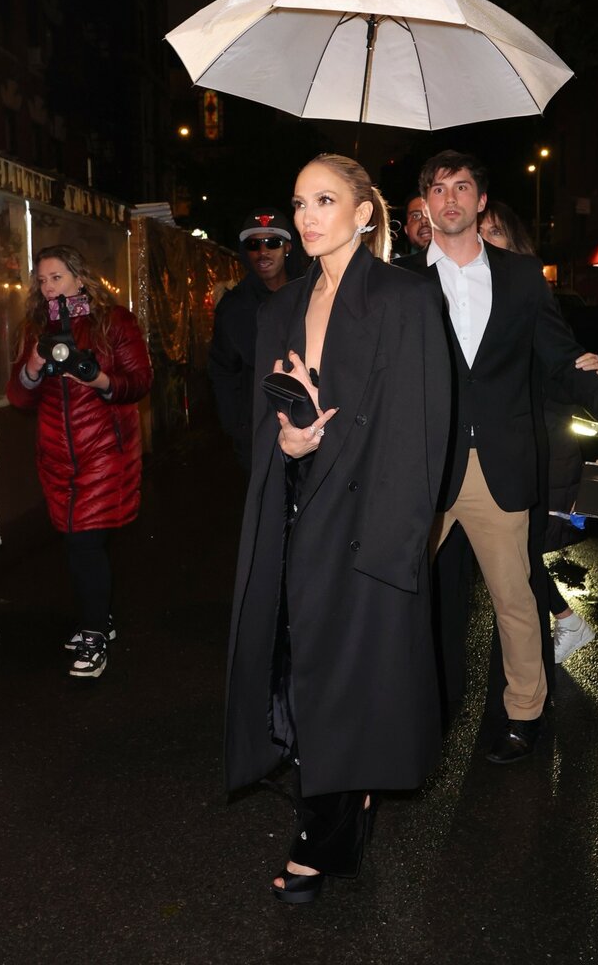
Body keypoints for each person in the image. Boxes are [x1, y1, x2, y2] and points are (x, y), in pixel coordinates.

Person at [225, 153, 451, 903]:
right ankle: (341, 810)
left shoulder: (404, 298)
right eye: (299, 203)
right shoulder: (281, 307)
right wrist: (289, 440)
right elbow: (271, 424)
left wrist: (393, 550)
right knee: (299, 669)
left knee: (342, 678)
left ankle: (321, 838)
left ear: (364, 212)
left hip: (366, 518)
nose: (307, 217)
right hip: (296, 506)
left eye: (325, 200)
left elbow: (422, 433)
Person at [404, 150, 598, 764]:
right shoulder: (402, 282)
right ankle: (398, 714)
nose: (451, 198)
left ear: (482, 200)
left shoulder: (520, 277)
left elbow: (562, 359)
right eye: (439, 189)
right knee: (398, 593)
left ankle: (524, 714)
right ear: (426, 204)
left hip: (501, 464)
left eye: (463, 187)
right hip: (424, 467)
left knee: (516, 598)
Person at [6, 245, 152, 679]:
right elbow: (19, 397)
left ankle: (94, 634)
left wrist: (100, 379)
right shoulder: (36, 328)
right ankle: (99, 618)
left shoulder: (114, 321)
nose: (49, 288)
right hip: (56, 455)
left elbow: (139, 380)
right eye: (42, 280)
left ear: (80, 278)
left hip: (105, 451)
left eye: (57, 278)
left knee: (84, 542)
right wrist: (33, 367)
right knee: (76, 541)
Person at [479, 199, 596, 664]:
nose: (486, 241)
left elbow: (558, 360)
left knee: (517, 549)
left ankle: (566, 624)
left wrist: (583, 367)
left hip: (539, 441)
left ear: (515, 243)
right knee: (508, 550)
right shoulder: (474, 295)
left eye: (495, 232)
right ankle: (564, 625)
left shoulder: (526, 293)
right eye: (480, 232)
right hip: (510, 442)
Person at [208, 206, 298, 473]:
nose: (263, 251)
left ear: (287, 247)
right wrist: (238, 427)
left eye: (272, 243)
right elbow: (222, 370)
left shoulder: (310, 296)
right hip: (257, 437)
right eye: (253, 244)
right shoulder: (234, 307)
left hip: (309, 429)